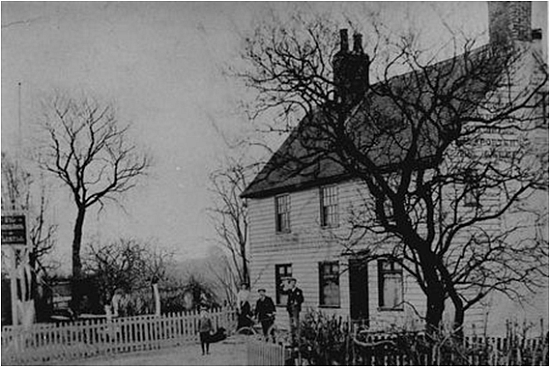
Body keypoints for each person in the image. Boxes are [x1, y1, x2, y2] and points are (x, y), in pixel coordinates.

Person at [280, 277, 304, 345]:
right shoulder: (289, 291)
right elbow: (282, 292)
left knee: (296, 324)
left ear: (295, 283)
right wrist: (282, 285)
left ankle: (298, 340)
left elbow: (302, 299)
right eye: (291, 282)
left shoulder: (298, 291)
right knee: (291, 325)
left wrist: (297, 302)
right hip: (290, 310)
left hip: (296, 310)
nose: (292, 284)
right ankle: (292, 341)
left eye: (293, 282)